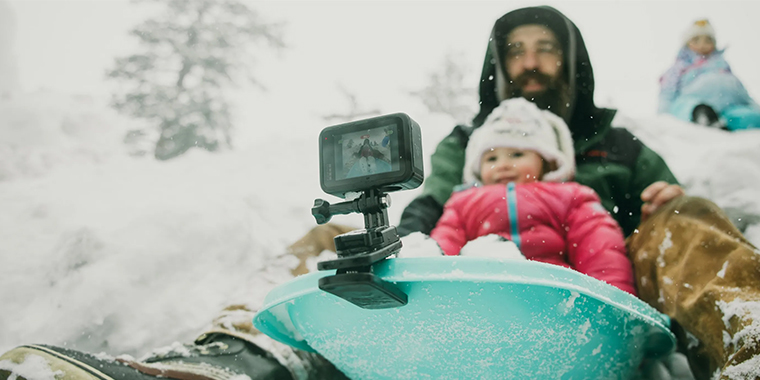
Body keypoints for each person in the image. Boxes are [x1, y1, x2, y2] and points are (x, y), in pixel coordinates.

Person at [1, 5, 758, 380]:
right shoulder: (468, 143)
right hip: (483, 278)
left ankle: (749, 341)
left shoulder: (616, 143)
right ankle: (235, 360)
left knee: (685, 213)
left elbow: (666, 207)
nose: (530, 62)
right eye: (516, 51)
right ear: (499, 66)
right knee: (342, 245)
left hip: (597, 291)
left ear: (571, 61)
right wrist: (400, 244)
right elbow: (429, 208)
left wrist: (661, 196)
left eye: (545, 49)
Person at [430, 98, 636, 295]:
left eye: (517, 155)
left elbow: (599, 248)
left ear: (546, 161)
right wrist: (432, 289)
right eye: (491, 158)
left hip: (554, 298)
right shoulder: (463, 203)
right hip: (483, 298)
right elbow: (444, 247)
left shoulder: (570, 197)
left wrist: (612, 297)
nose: (502, 165)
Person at [658, 19, 760, 131]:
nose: (702, 45)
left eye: (708, 40)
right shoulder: (680, 67)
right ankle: (702, 115)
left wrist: (754, 106)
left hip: (729, 105)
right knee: (683, 105)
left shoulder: (722, 64)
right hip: (696, 100)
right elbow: (667, 94)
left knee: (745, 115)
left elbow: (741, 90)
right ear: (687, 43)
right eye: (696, 40)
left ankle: (725, 123)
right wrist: (663, 120)